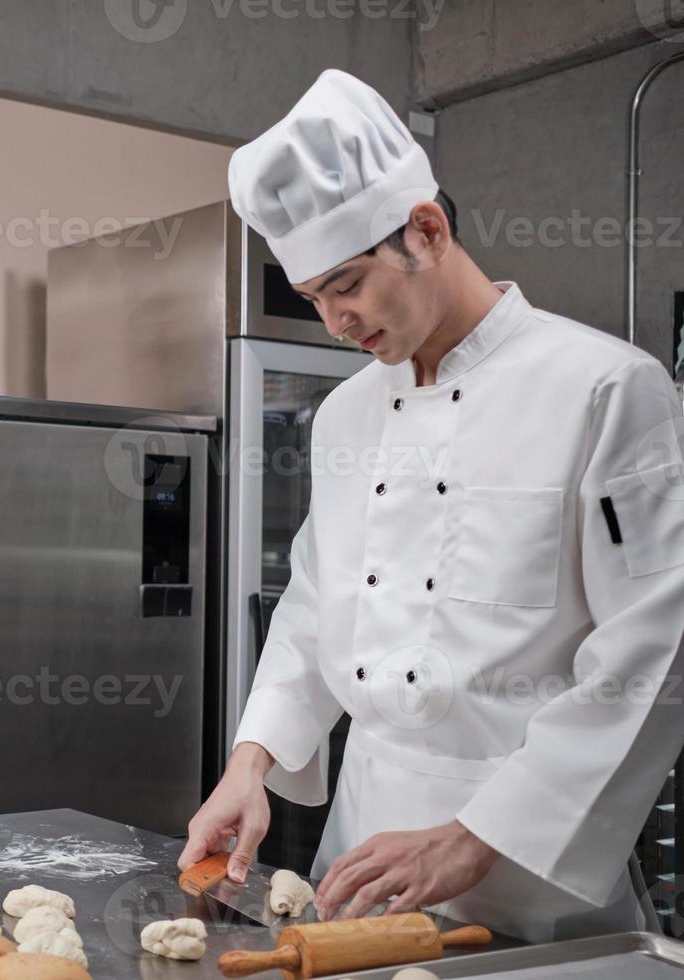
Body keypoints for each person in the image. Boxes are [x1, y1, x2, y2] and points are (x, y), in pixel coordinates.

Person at [181, 69, 684, 943]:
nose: (336, 321)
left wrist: (474, 838)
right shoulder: (346, 411)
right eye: (314, 302)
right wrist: (251, 762)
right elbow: (311, 608)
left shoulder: (604, 389)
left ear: (426, 230)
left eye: (348, 285)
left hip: (532, 868)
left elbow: (655, 647)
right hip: (359, 861)